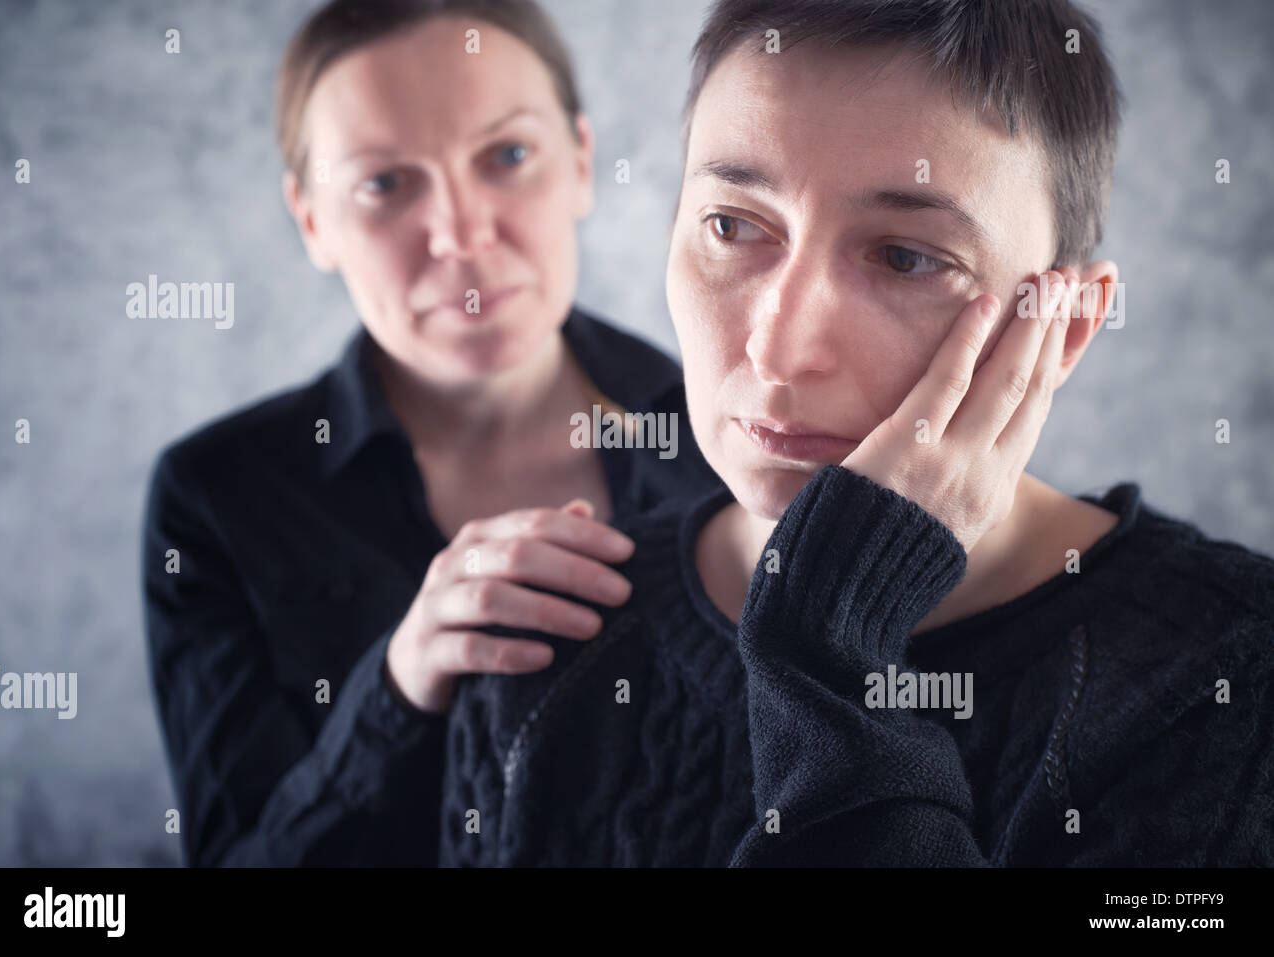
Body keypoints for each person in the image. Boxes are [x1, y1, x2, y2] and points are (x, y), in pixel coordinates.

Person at [436, 0, 1274, 865]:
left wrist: (825, 647)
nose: (780, 347)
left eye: (905, 257)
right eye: (732, 225)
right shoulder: (545, 638)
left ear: (1062, 328)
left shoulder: (1227, 682)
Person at [141, 0, 719, 866]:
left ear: (582, 163)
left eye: (509, 155)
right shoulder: (214, 497)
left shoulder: (735, 445)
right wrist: (398, 690)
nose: (459, 235)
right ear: (312, 222)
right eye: (385, 182)